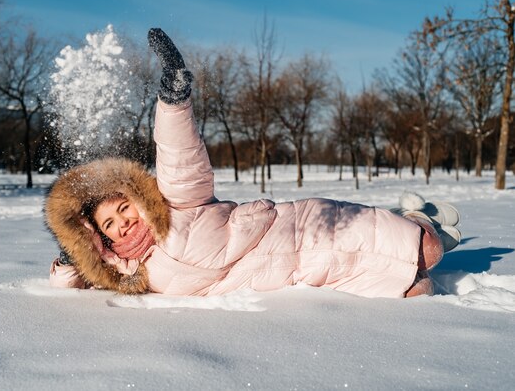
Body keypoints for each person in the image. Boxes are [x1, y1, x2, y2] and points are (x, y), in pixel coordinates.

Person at [45, 28, 461, 298]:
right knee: (417, 293)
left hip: (303, 225)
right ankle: (415, 228)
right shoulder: (122, 273)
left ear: (137, 197)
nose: (122, 223)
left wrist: (173, 100)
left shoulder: (174, 206)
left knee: (430, 248)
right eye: (109, 224)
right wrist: (70, 256)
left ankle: (421, 218)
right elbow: (72, 281)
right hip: (309, 273)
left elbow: (179, 155)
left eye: (122, 208)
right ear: (99, 236)